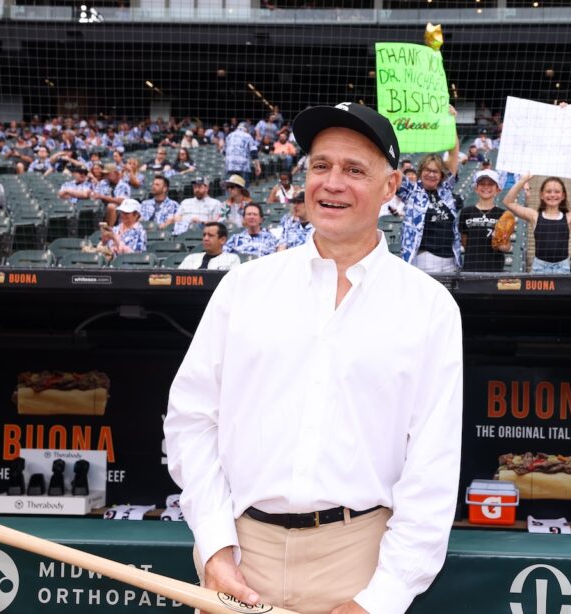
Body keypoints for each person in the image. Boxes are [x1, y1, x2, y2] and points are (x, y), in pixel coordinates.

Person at [164, 101, 462, 614]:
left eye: (354, 170)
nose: (332, 183)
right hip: (240, 554)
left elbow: (431, 471)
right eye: (320, 166)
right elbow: (191, 421)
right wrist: (215, 545)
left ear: (390, 187)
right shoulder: (244, 288)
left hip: (357, 560)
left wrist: (380, 599)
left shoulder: (430, 308)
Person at [398, 108, 462, 274]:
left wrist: (451, 123)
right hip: (425, 260)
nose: (431, 174)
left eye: (435, 171)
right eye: (427, 169)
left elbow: (454, 155)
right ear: (420, 171)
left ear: (441, 175)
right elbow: (390, 170)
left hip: (451, 260)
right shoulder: (411, 190)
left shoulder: (446, 190)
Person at [502, 175, 571, 274]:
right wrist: (523, 180)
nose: (553, 195)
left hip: (562, 269)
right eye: (548, 191)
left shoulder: (569, 217)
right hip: (539, 269)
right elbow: (508, 202)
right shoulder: (534, 216)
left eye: (557, 191)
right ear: (541, 194)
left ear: (563, 195)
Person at [458, 169, 511, 272]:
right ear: (476, 188)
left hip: (494, 269)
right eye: (482, 184)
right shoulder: (466, 212)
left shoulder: (503, 214)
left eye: (491, 184)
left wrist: (502, 245)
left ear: (498, 189)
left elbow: (507, 245)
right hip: (471, 268)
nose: (486, 187)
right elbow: (465, 241)